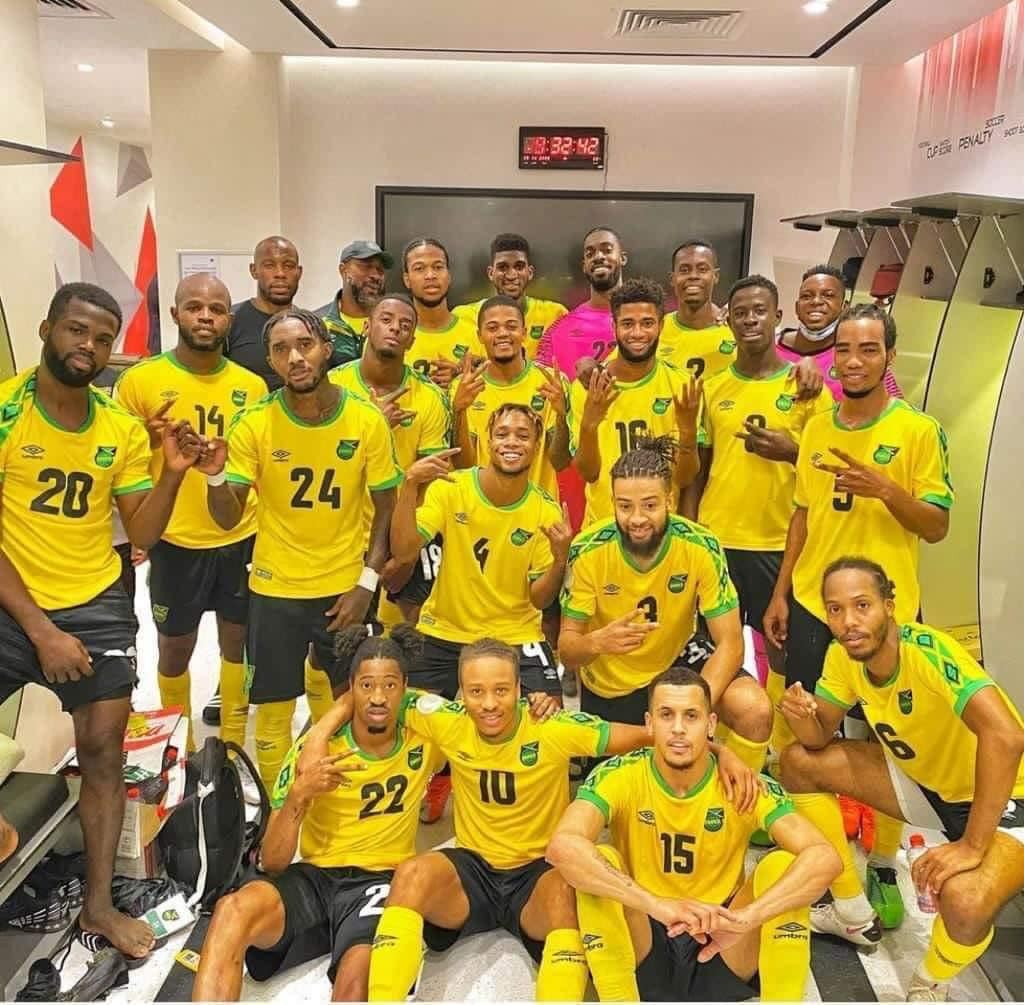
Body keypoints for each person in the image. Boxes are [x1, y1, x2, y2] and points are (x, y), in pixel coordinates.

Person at [352, 638, 758, 1002]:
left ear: (519, 689)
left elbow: (655, 735)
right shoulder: (445, 720)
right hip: (473, 869)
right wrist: (319, 736)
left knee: (574, 891)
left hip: (538, 876)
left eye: (501, 690)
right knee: (411, 875)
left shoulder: (555, 728)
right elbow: (375, 698)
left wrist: (723, 752)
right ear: (462, 692)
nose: (489, 704)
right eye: (476, 692)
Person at [0, 283, 198, 957]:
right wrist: (41, 631)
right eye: (76, 330)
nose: (87, 346)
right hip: (12, 595)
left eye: (102, 337)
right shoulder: (4, 410)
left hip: (95, 598)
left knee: (106, 749)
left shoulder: (116, 425)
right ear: (46, 327)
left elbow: (141, 528)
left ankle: (98, 905)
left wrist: (171, 472)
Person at [763, 302, 953, 944]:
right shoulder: (816, 427)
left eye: (867, 350)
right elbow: (803, 516)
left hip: (883, 616)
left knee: (894, 742)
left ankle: (884, 868)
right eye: (843, 349)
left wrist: (887, 491)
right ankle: (838, 881)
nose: (853, 361)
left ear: (888, 358)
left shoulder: (919, 431)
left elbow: (937, 524)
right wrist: (783, 592)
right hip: (818, 608)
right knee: (809, 739)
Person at [780, 558, 1024, 1002]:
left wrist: (972, 844)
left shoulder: (927, 651)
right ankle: (852, 911)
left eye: (861, 605)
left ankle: (929, 982)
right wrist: (801, 718)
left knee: (965, 902)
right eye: (835, 609)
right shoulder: (842, 656)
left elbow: (1007, 736)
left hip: (1007, 795)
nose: (848, 622)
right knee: (795, 761)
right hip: (925, 786)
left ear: (890, 606)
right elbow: (816, 740)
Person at [549, 665, 841, 1002]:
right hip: (645, 937)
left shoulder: (742, 785)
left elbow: (824, 857)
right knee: (596, 862)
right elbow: (563, 847)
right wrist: (658, 905)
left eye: (691, 716)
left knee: (783, 866)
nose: (677, 729)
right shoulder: (621, 775)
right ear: (648, 723)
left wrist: (747, 919)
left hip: (724, 938)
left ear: (711, 724)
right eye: (666, 715)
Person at [199, 308, 402, 789]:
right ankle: (275, 809)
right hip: (276, 586)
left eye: (304, 345)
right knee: (272, 709)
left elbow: (386, 507)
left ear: (326, 350)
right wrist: (214, 474)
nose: (295, 357)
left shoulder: (365, 418)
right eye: (281, 349)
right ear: (270, 360)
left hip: (344, 587)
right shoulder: (255, 423)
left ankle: (336, 795)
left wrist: (365, 584)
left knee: (346, 700)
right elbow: (228, 517)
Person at [193, 626, 442, 1002]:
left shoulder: (424, 735)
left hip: (380, 881)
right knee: (232, 911)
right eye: (366, 686)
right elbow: (274, 862)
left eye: (390, 686)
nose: (378, 697)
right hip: (316, 877)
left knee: (356, 982)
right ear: (351, 687)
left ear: (405, 687)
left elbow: (483, 717)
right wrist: (299, 796)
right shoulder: (314, 754)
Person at [389, 403, 570, 821]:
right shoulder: (451, 488)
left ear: (536, 445)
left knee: (550, 724)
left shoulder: (544, 510)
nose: (511, 442)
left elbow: (540, 600)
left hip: (515, 635)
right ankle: (438, 775)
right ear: (487, 439)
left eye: (522, 435)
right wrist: (409, 487)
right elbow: (403, 551)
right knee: (410, 724)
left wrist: (560, 558)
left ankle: (532, 819)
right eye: (502, 433)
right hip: (444, 630)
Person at [559, 436, 773, 776]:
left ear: (669, 500)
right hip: (613, 683)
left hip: (678, 663)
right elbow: (567, 650)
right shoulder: (588, 550)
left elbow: (731, 643)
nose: (637, 518)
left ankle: (738, 806)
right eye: (625, 506)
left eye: (649, 505)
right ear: (612, 502)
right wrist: (598, 642)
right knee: (627, 795)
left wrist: (693, 708)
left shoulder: (700, 544)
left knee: (754, 709)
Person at [115, 274, 266, 751]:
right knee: (175, 647)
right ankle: (184, 746)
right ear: (176, 314)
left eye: (217, 308)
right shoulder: (140, 381)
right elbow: (119, 458)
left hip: (240, 532)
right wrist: (143, 430)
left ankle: (234, 746)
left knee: (237, 643)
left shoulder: (252, 385)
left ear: (229, 319)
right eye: (195, 307)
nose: (206, 316)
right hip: (176, 541)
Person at [683, 275, 831, 725]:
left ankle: (781, 746)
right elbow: (697, 471)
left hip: (779, 544)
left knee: (783, 649)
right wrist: (691, 535)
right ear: (729, 321)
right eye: (741, 312)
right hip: (718, 539)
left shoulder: (806, 387)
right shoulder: (712, 388)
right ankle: (728, 737)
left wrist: (793, 452)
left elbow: (828, 470)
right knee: (711, 647)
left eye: (760, 310)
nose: (750, 319)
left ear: (778, 317)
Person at [328, 294, 450, 632]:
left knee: (403, 643)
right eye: (385, 319)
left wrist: (408, 550)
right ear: (367, 326)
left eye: (405, 325)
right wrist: (372, 426)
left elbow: (431, 483)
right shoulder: (332, 387)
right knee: (336, 645)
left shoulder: (429, 397)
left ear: (412, 339)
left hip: (401, 534)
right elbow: (322, 460)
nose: (395, 327)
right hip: (340, 536)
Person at [569, 277, 700, 527]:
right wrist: (589, 424)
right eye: (628, 323)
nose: (637, 333)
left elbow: (684, 479)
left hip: (661, 531)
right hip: (603, 531)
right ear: (614, 325)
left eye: (647, 323)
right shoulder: (586, 388)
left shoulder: (683, 385)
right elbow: (588, 473)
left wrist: (688, 431)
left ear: (661, 325)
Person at [537, 227, 629, 545]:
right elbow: (544, 390)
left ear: (623, 257)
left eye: (607, 248)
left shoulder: (648, 322)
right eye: (590, 252)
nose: (599, 256)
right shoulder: (560, 328)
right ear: (583, 265)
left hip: (635, 465)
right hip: (578, 474)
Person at [449, 295, 570, 501]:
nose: (503, 333)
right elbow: (464, 466)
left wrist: (561, 415)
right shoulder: (464, 386)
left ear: (523, 332)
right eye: (493, 328)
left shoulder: (550, 381)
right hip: (481, 515)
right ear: (479, 335)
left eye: (511, 326)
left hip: (539, 517)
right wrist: (459, 410)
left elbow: (560, 462)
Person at [776, 264, 902, 400]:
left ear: (844, 307)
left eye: (828, 295)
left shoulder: (862, 358)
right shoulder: (768, 350)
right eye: (807, 296)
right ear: (797, 307)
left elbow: (896, 412)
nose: (816, 301)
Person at [453, 234, 567, 359]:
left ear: (530, 272)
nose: (511, 275)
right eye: (503, 267)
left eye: (519, 267)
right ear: (491, 273)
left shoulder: (555, 314)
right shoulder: (463, 317)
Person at [401, 238, 481, 390]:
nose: (430, 275)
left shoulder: (477, 333)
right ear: (407, 279)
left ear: (449, 276)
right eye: (419, 268)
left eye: (438, 267)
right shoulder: (393, 337)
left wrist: (460, 377)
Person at [225, 236, 303, 390]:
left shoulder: (309, 326)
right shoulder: (230, 321)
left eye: (288, 265)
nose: (280, 273)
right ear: (254, 271)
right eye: (269, 265)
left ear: (298, 272)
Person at [658, 240, 734, 378]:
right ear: (673, 278)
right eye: (684, 270)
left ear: (715, 276)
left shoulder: (736, 328)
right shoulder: (656, 329)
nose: (693, 276)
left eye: (702, 269)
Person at [316, 240, 394, 365]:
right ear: (343, 270)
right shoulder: (318, 324)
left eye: (380, 269)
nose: (375, 275)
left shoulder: (393, 325)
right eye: (366, 266)